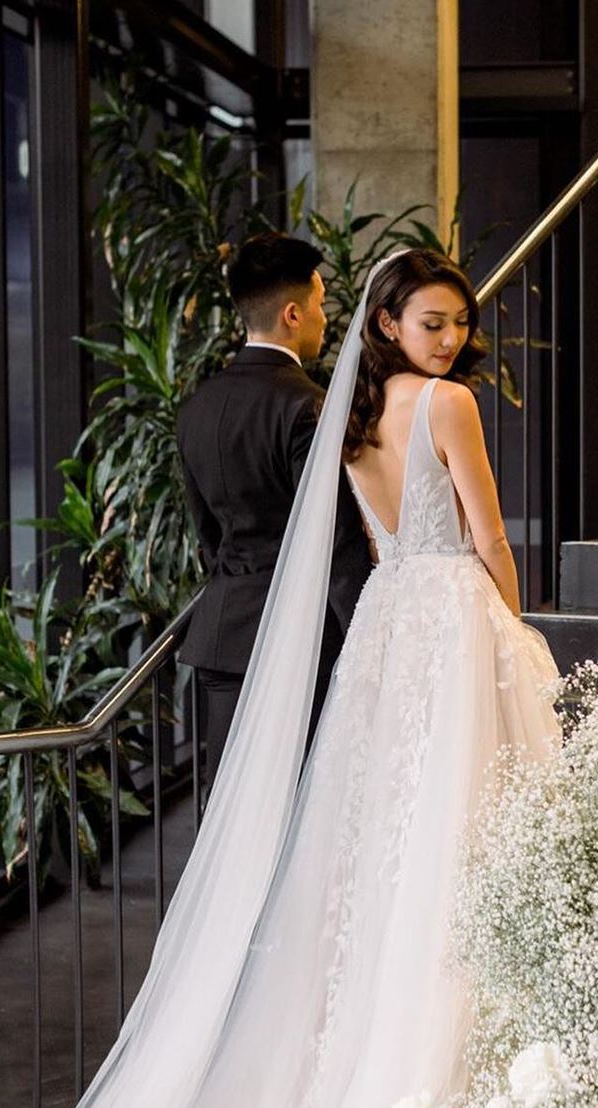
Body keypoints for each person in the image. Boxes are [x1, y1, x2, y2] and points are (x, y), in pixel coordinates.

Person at [0, 247, 560, 1108]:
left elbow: (270, 531)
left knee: (355, 866)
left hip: (325, 640)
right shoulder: (416, 405)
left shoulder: (298, 409)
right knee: (437, 846)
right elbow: (485, 537)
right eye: (433, 318)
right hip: (415, 630)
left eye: (457, 323)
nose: (452, 336)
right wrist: (513, 636)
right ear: (361, 313)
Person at [176, 233, 373, 791]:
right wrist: (369, 633)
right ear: (292, 313)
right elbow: (336, 543)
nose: (323, 319)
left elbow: (209, 539)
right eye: (318, 306)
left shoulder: (198, 408)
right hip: (299, 639)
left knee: (231, 811)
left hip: (222, 635)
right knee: (298, 807)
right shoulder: (306, 406)